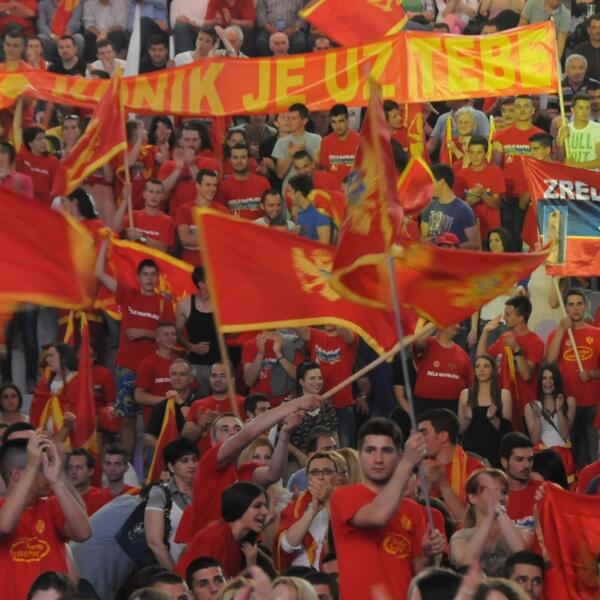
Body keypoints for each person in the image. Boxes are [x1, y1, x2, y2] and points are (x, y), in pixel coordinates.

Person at [330, 418, 445, 600]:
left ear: (398, 455)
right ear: (359, 455)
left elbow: (421, 574)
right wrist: (408, 462)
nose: (378, 459)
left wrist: (427, 554)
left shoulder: (413, 509)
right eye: (370, 450)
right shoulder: (343, 496)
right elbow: (379, 516)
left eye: (387, 451)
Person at [180, 393, 320, 541]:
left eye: (237, 428)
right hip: (211, 548)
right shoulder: (208, 464)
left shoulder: (246, 471)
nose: (232, 433)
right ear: (213, 441)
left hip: (241, 548)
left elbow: (273, 474)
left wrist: (285, 434)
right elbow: (245, 435)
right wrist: (295, 404)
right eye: (225, 429)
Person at [95, 248, 175, 461]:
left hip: (154, 369)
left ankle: (153, 467)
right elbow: (99, 274)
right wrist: (105, 242)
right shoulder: (128, 294)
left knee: (154, 423)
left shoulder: (164, 302)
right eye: (145, 274)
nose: (149, 278)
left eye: (153, 274)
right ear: (138, 277)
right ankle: (128, 470)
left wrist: (144, 333)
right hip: (127, 367)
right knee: (127, 421)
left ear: (158, 278)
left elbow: (170, 335)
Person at [0, 433, 91, 598]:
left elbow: (83, 533)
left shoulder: (50, 506)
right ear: (17, 475)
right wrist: (31, 468)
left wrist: (57, 481)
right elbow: (4, 526)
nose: (48, 474)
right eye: (42, 469)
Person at [477, 296, 544, 432]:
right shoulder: (505, 336)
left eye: (508, 314)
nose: (504, 318)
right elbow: (481, 358)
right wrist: (485, 332)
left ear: (520, 318)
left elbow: (526, 375)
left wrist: (517, 349)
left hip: (523, 408)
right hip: (501, 404)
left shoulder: (536, 342)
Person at [175, 481, 272, 577]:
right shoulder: (215, 537)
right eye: (257, 506)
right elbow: (214, 584)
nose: (265, 511)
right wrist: (251, 566)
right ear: (240, 506)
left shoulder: (246, 541)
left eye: (265, 506)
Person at [450, 469, 529, 577]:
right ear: (473, 497)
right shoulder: (461, 537)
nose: (500, 497)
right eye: (492, 492)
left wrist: (499, 511)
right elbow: (465, 564)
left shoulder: (521, 532)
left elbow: (522, 555)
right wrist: (489, 517)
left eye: (504, 492)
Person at [295, 325, 363, 448]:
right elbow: (295, 324)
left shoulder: (350, 336)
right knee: (316, 450)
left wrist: (334, 316)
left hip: (342, 407)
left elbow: (347, 334)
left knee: (344, 451)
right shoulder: (315, 335)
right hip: (318, 407)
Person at [492, 95, 543, 249]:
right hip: (508, 197)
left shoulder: (542, 137)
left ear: (533, 110)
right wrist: (497, 191)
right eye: (518, 106)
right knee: (509, 241)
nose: (522, 110)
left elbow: (545, 169)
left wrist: (530, 192)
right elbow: (494, 167)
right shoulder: (500, 136)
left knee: (529, 242)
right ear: (513, 110)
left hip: (532, 197)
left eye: (526, 106)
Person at [418, 408, 486, 522]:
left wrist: (442, 485)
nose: (418, 440)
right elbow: (415, 516)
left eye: (424, 434)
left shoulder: (475, 469)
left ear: (443, 436)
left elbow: (471, 523)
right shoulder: (418, 468)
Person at [276, 451, 339, 570]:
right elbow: (287, 545)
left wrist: (327, 501)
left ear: (336, 476)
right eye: (314, 472)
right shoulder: (296, 506)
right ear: (308, 477)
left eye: (327, 472)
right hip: (303, 577)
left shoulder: (346, 502)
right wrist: (313, 510)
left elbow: (345, 536)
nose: (320, 477)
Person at [145, 438, 198, 568]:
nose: (192, 465)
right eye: (184, 461)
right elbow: (154, 543)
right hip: (173, 567)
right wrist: (175, 575)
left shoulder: (205, 492)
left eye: (195, 460)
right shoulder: (160, 493)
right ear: (171, 466)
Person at [459, 354, 512, 468]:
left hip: (495, 452)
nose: (481, 369)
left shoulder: (504, 394)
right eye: (478, 366)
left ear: (493, 370)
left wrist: (493, 418)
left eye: (486, 366)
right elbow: (460, 430)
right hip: (471, 451)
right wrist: (467, 419)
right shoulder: (465, 394)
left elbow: (507, 432)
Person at [181, 362, 245, 454]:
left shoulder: (243, 403)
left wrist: (220, 422)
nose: (217, 379)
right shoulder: (198, 405)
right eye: (214, 375)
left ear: (232, 380)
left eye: (223, 376)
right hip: (203, 459)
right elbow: (185, 440)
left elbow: (251, 436)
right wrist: (200, 426)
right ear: (209, 378)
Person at [176, 266, 220, 396]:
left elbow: (233, 334)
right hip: (197, 365)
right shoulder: (185, 304)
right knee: (199, 402)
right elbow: (176, 332)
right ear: (201, 283)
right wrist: (191, 347)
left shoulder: (222, 303)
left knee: (223, 401)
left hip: (221, 363)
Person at [454, 135, 505, 243]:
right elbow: (456, 206)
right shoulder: (460, 175)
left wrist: (483, 194)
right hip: (468, 231)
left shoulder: (495, 172)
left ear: (486, 154)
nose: (475, 156)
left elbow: (497, 204)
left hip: (491, 233)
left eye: (479, 152)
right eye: (472, 152)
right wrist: (469, 201)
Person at [412, 324, 473, 415]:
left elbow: (471, 385)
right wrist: (437, 322)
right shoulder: (427, 343)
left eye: (458, 323)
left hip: (453, 405)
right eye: (453, 322)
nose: (456, 326)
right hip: (425, 404)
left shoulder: (463, 354)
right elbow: (418, 340)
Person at [421, 163, 479, 249]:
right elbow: (423, 237)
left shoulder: (464, 210)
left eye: (431, 181)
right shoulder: (429, 206)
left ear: (442, 181)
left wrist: (453, 248)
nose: (429, 186)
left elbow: (475, 243)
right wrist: (429, 241)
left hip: (454, 256)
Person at [146, 359, 201, 449]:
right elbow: (148, 437)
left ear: (191, 379)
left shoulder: (200, 402)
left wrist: (180, 402)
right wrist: (168, 449)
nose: (177, 378)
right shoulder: (161, 406)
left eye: (182, 374)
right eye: (174, 374)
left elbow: (194, 426)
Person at [524, 363, 575, 455]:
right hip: (543, 455)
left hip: (564, 455)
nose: (548, 381)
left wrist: (559, 410)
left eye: (552, 378)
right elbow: (534, 440)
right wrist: (537, 417)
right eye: (544, 378)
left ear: (557, 381)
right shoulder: (530, 406)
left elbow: (564, 434)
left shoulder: (569, 401)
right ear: (540, 381)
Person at [272, 103, 322, 195]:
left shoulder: (316, 139)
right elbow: (280, 174)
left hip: (311, 190)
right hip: (290, 192)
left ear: (304, 121)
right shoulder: (281, 142)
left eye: (293, 118)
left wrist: (305, 153)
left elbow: (319, 168)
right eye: (288, 118)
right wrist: (290, 157)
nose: (289, 122)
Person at [114, 179, 175, 252]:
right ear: (144, 194)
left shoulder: (167, 221)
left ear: (162, 196)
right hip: (134, 258)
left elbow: (163, 248)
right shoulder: (134, 215)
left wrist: (140, 237)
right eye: (151, 191)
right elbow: (115, 227)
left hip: (153, 259)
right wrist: (125, 200)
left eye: (157, 192)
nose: (154, 196)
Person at [500, 432, 542, 529]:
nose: (527, 465)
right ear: (504, 462)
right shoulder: (494, 498)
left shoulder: (544, 491)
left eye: (530, 459)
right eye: (519, 460)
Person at [217, 143, 271, 219]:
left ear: (248, 159)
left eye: (243, 157)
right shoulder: (223, 187)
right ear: (230, 160)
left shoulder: (263, 183)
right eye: (235, 157)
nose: (239, 161)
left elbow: (271, 211)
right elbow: (220, 216)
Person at [134, 322, 178, 415]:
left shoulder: (181, 362)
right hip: (155, 417)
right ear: (157, 338)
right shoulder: (147, 364)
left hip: (178, 416)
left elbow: (190, 390)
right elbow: (139, 396)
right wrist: (167, 401)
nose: (170, 338)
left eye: (173, 334)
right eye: (166, 335)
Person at [16, 126, 61, 206]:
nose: (44, 142)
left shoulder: (53, 162)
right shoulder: (23, 156)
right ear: (30, 143)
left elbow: (55, 189)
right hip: (22, 202)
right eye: (39, 139)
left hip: (43, 206)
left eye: (44, 138)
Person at [556, 92, 600, 170]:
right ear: (572, 110)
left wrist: (576, 165)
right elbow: (559, 161)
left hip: (591, 176)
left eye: (587, 108)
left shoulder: (597, 129)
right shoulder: (564, 129)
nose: (584, 111)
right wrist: (560, 141)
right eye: (580, 108)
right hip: (571, 176)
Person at [319, 104, 360, 186]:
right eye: (334, 122)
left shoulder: (360, 141)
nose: (337, 126)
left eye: (341, 121)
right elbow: (324, 169)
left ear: (348, 121)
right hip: (334, 191)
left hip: (356, 190)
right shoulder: (325, 142)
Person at [288, 174, 331, 243]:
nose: (288, 194)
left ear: (298, 193)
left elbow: (324, 242)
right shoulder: (300, 212)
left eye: (290, 191)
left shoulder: (320, 212)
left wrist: (303, 242)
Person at [66, 448, 105, 516]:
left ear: (91, 471)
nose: (73, 472)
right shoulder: (59, 496)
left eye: (79, 467)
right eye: (70, 467)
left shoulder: (102, 498)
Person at [569, 14, 600, 82]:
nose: (598, 31)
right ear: (588, 30)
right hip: (586, 87)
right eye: (594, 27)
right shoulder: (578, 50)